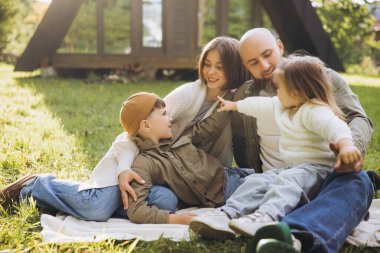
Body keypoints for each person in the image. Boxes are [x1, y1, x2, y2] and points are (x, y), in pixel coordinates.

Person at [190, 28, 374, 253]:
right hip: (272, 180)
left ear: (279, 47)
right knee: (252, 183)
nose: (265, 66)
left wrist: (349, 147)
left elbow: (357, 118)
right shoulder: (245, 96)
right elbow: (241, 145)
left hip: (322, 173)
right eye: (253, 62)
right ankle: (238, 217)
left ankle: (295, 237)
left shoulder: (316, 76)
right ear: (246, 66)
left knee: (358, 182)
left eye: (268, 54)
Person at [92, 36, 250, 213]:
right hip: (137, 163)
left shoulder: (232, 102)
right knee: (99, 205)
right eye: (207, 64)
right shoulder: (188, 94)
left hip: (190, 178)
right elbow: (135, 132)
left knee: (166, 201)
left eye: (219, 67)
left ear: (235, 69)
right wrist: (123, 169)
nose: (211, 72)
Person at [119, 92, 254, 224]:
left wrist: (229, 98)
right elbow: (136, 210)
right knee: (270, 184)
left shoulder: (177, 130)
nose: (170, 118)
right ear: (146, 125)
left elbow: (208, 128)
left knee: (270, 174)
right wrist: (177, 219)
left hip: (229, 173)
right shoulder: (144, 163)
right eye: (164, 114)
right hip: (225, 191)